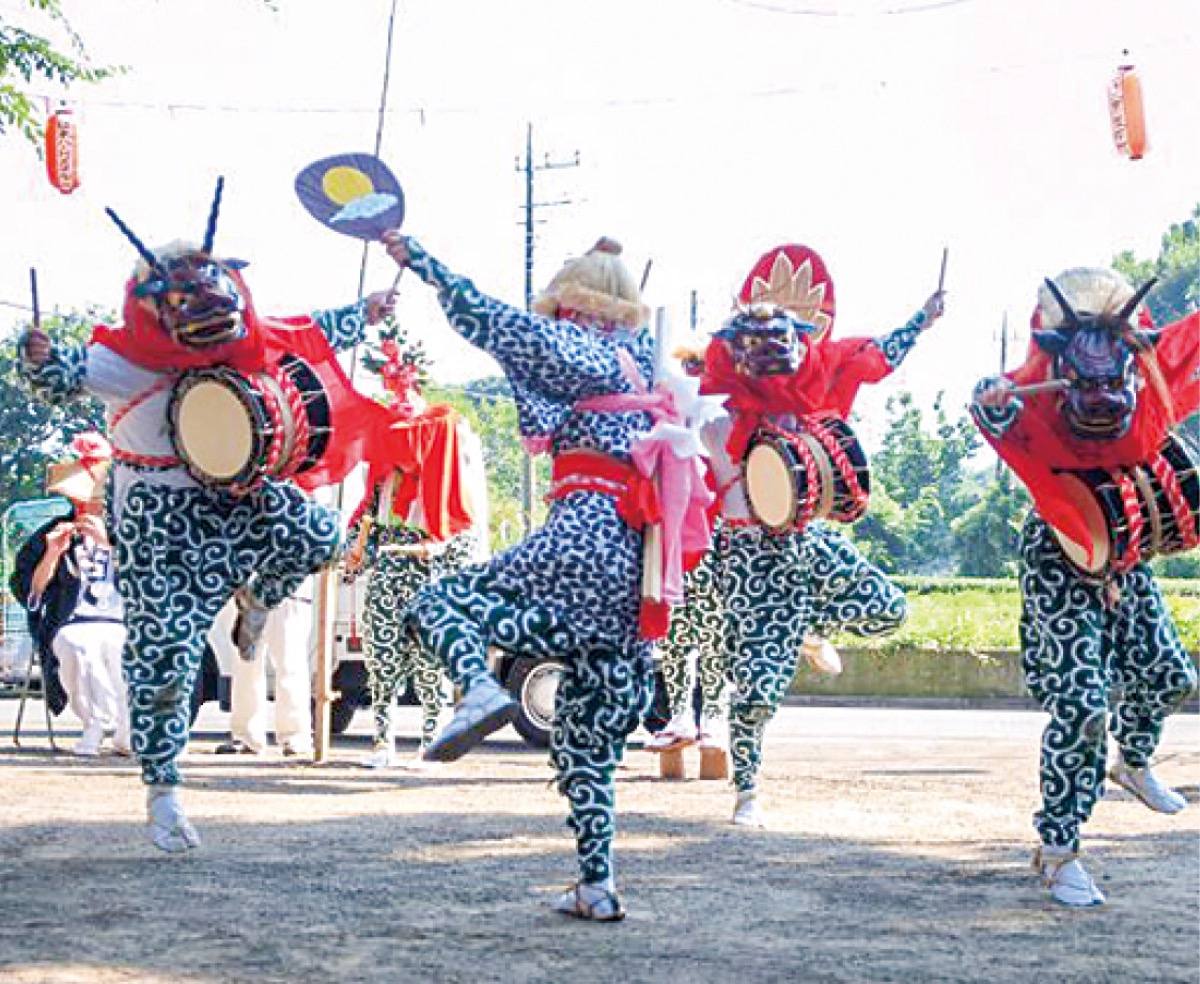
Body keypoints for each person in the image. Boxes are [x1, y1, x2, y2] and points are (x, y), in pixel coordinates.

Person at [18, 181, 394, 853]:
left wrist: (363, 312)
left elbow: (305, 331)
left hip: (232, 492)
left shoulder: (240, 343)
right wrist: (38, 360)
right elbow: (59, 377)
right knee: (167, 655)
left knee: (319, 533)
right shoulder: (120, 361)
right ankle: (162, 790)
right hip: (157, 522)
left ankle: (257, 596)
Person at [382, 231, 713, 921]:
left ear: (574, 301)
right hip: (634, 585)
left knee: (441, 602)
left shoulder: (581, 352)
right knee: (584, 742)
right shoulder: (645, 371)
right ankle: (598, 885)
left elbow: (493, 323)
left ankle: (476, 690)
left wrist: (424, 262)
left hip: (581, 541)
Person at [970, 267, 1198, 907]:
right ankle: (1059, 850)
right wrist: (989, 393)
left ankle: (1132, 761)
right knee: (1082, 705)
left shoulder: (1150, 386)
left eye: (1110, 382)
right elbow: (993, 398)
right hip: (1057, 554)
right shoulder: (1033, 409)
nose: (1101, 397)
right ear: (1062, 375)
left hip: (1123, 551)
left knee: (1170, 677)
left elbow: (1191, 340)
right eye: (1087, 383)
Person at [697, 243, 945, 828]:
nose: (768, 357)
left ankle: (814, 627)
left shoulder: (811, 401)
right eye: (755, 347)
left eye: (778, 346)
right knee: (756, 688)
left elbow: (878, 354)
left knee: (889, 608)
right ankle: (748, 790)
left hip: (807, 542)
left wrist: (923, 319)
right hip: (747, 556)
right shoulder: (711, 412)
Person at [343, 327, 488, 769]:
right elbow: (365, 530)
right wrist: (352, 553)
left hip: (429, 575)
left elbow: (461, 536)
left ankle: (430, 742)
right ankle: (382, 742)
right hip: (387, 573)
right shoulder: (383, 483)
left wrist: (431, 551)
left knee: (430, 664)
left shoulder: (447, 482)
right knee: (381, 659)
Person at [11, 433, 130, 758]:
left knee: (120, 646)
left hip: (121, 620)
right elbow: (31, 593)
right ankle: (96, 722)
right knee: (79, 645)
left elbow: (148, 579)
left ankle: (125, 726)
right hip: (72, 620)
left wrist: (108, 546)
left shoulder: (125, 533)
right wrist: (52, 554)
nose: (85, 506)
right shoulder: (52, 533)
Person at [209, 584, 316, 759]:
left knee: (290, 663)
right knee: (245, 664)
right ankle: (246, 736)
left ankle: (295, 737)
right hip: (250, 591)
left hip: (290, 589)